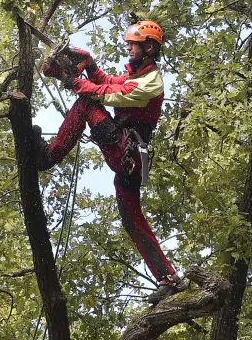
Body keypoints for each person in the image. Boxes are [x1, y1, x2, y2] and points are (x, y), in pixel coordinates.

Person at [33, 20, 184, 304]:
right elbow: (109, 82)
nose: (128, 48)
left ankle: (48, 156)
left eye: (133, 45)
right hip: (128, 162)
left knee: (87, 103)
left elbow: (113, 95)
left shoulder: (151, 81)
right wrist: (88, 65)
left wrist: (75, 82)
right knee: (131, 219)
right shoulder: (137, 75)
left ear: (148, 47)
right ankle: (168, 277)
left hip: (126, 151)